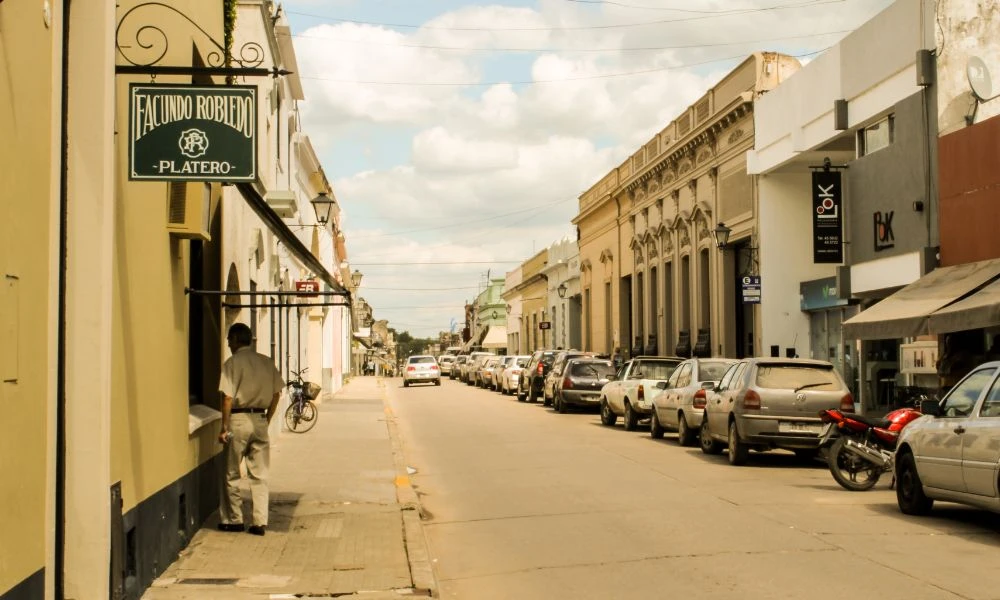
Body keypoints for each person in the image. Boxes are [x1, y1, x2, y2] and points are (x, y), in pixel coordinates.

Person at [217, 323, 283, 536]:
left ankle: (234, 520)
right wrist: (268, 418)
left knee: (232, 472)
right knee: (260, 474)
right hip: (260, 419)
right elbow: (276, 394)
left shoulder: (232, 363)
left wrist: (224, 427)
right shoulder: (266, 362)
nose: (228, 344)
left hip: (237, 419)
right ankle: (259, 521)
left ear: (236, 340)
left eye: (229, 340)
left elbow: (227, 397)